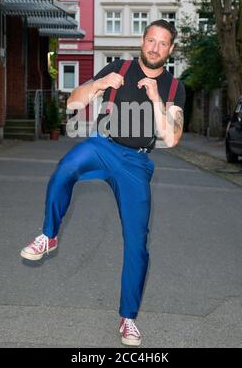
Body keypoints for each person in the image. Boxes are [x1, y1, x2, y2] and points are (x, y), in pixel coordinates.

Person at [20, 19, 186, 346]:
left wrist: (155, 99)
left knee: (137, 242)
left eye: (162, 43)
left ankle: (128, 319)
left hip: (136, 163)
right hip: (102, 144)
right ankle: (48, 236)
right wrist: (98, 85)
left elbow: (172, 137)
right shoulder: (118, 67)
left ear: (170, 49)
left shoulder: (172, 87)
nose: (154, 47)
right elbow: (73, 104)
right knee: (65, 168)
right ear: (142, 40)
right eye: (150, 40)